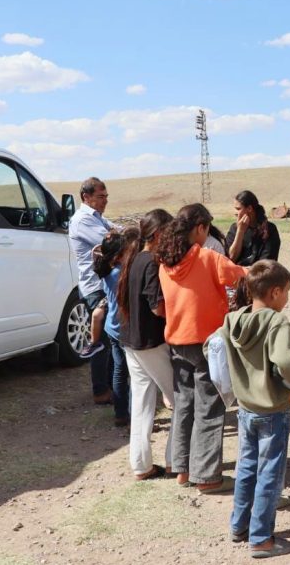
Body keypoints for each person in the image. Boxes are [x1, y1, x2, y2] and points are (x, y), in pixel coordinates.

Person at [222, 260, 290, 558]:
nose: (288, 298)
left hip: (245, 407)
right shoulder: (276, 322)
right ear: (275, 292)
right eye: (288, 291)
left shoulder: (232, 320)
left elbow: (212, 349)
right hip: (271, 410)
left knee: (247, 467)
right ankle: (261, 539)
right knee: (269, 472)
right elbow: (288, 362)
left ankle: (240, 525)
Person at [155, 204, 248, 493]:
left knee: (184, 406)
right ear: (199, 228)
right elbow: (241, 275)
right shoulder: (208, 258)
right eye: (206, 230)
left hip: (177, 342)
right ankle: (208, 477)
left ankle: (181, 469)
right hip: (207, 343)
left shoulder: (165, 263)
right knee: (209, 408)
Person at [116, 208, 176, 480]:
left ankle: (141, 465)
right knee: (180, 399)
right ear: (159, 233)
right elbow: (157, 307)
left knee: (142, 404)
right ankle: (176, 460)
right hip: (151, 342)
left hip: (131, 340)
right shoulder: (151, 262)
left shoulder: (135, 258)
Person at [68, 176, 114, 404]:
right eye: (100, 196)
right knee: (101, 342)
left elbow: (116, 231)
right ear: (86, 197)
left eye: (106, 196)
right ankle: (100, 391)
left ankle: (110, 386)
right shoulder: (83, 220)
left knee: (109, 339)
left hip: (101, 285)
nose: (105, 201)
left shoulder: (97, 218)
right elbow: (112, 243)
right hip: (95, 287)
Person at [92, 228, 139, 428]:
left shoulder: (107, 272)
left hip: (112, 327)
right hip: (126, 329)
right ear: (120, 254)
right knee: (136, 375)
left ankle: (120, 414)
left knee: (119, 371)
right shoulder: (123, 274)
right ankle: (135, 415)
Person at [225, 191, 280, 266]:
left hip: (260, 272)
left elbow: (267, 262)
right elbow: (230, 258)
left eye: (238, 209)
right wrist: (240, 231)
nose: (235, 212)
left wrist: (248, 270)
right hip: (237, 272)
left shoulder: (269, 229)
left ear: (249, 208)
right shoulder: (234, 228)